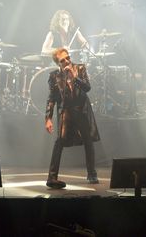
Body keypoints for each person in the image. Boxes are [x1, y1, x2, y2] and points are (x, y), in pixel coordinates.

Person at [45, 48, 100, 189]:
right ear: (58, 63)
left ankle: (92, 173)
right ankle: (52, 177)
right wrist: (48, 118)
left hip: (81, 109)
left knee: (88, 139)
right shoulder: (54, 76)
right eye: (62, 60)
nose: (67, 61)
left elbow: (87, 87)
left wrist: (74, 77)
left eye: (67, 58)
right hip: (66, 111)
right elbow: (51, 98)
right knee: (60, 141)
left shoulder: (80, 68)